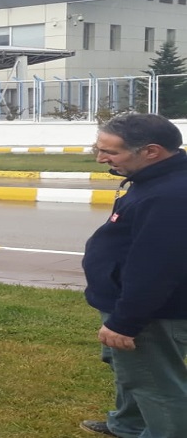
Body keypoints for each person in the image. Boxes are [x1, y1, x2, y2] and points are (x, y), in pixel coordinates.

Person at [78, 113, 187, 438]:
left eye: (110, 152)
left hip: (152, 312)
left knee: (156, 383)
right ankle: (127, 425)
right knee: (134, 371)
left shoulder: (169, 196)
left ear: (151, 151)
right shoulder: (153, 180)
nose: (101, 159)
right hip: (133, 303)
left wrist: (125, 321)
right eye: (98, 149)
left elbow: (156, 268)